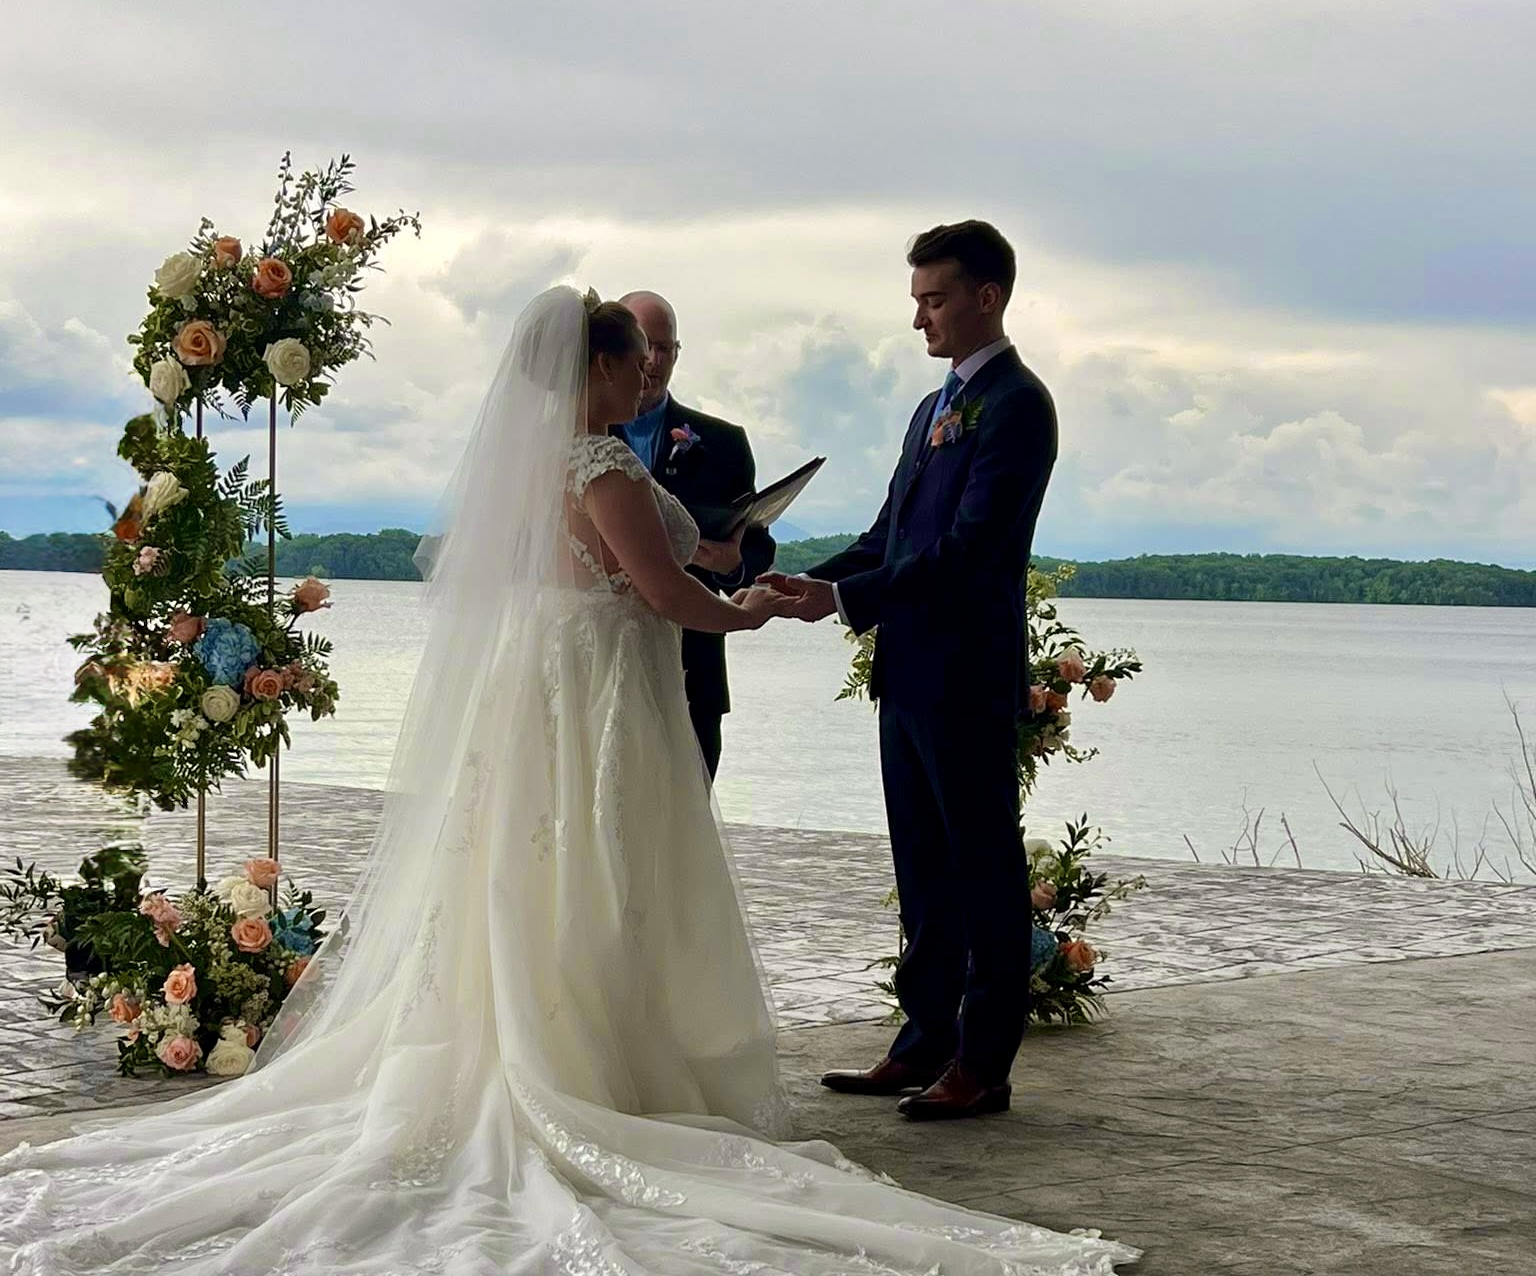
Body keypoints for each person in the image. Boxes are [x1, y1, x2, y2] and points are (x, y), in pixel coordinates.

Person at [0, 286, 1132, 1275]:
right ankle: (601, 1067)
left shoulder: (560, 460)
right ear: (591, 367)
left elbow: (673, 562)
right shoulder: (599, 462)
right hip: (602, 691)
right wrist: (741, 606)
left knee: (530, 870)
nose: (647, 367)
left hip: (548, 685)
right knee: (601, 864)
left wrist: (784, 582)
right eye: (631, 354)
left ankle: (612, 1040)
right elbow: (664, 593)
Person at [760, 222, 1058, 1122]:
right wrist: (807, 582)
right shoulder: (931, 412)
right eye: (918, 300)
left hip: (967, 675)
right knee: (924, 869)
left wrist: (846, 605)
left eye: (934, 299)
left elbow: (969, 553)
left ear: (986, 297)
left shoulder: (1017, 405)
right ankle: (923, 1038)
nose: (920, 318)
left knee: (983, 871)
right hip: (908, 675)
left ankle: (984, 1063)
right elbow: (889, 537)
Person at [615, 290, 775, 782]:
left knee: (687, 837)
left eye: (667, 348)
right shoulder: (576, 436)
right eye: (645, 345)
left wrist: (732, 564)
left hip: (693, 672)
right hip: (603, 662)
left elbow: (756, 544)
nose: (654, 361)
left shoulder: (723, 443)